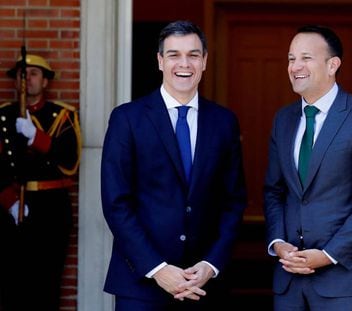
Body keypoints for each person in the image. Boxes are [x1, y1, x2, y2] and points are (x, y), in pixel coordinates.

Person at [101, 20, 247, 310]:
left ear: (204, 61)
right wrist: (158, 268)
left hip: (204, 284)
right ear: (159, 61)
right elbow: (116, 203)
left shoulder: (224, 122)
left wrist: (211, 264)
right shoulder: (127, 119)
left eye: (193, 55)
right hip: (141, 284)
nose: (184, 64)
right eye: (174, 55)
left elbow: (233, 201)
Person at [263, 25, 352, 310]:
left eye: (305, 58)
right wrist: (277, 242)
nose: (295, 66)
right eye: (290, 58)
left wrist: (328, 254)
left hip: (344, 282)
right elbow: (274, 191)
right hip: (289, 280)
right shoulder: (283, 120)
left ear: (333, 64)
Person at [0, 53, 81, 310]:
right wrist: (8, 200)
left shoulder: (62, 115)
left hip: (51, 207)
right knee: (11, 282)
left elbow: (71, 161)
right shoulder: (3, 115)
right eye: (23, 74)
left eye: (34, 74)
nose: (27, 80)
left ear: (45, 81)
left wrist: (36, 136)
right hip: (11, 205)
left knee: (47, 281)